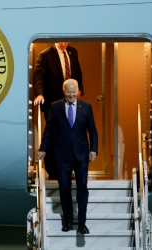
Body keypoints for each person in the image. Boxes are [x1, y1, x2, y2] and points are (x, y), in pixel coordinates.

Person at [37, 79, 98, 234]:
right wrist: (42, 149)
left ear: (77, 90)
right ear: (63, 91)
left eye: (73, 92)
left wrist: (93, 150)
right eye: (68, 92)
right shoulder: (55, 107)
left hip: (81, 154)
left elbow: (93, 131)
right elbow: (48, 130)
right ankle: (68, 221)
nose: (71, 95)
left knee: (82, 189)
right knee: (64, 188)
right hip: (62, 154)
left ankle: (82, 224)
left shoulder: (86, 107)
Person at [33, 43, 83, 180]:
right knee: (54, 137)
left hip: (71, 102)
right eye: (61, 41)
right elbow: (38, 77)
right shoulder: (45, 54)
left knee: (70, 137)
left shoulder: (73, 51)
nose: (63, 44)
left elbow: (78, 72)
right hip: (52, 104)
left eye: (66, 41)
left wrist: (80, 90)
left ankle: (68, 170)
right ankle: (54, 172)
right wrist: (39, 94)